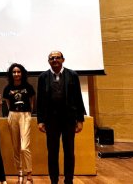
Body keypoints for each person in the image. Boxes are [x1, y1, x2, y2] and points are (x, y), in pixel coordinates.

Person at [37, 51, 86, 184]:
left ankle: (68, 180)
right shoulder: (43, 77)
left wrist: (80, 119)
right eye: (52, 58)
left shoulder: (72, 75)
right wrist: (40, 120)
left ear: (63, 60)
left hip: (69, 120)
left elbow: (78, 98)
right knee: (52, 153)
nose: (55, 60)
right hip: (50, 121)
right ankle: (54, 180)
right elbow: (40, 100)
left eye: (57, 58)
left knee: (69, 152)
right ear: (48, 61)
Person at [3, 63, 35, 184]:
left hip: (25, 115)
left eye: (19, 72)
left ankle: (29, 174)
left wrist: (27, 115)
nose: (16, 74)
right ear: (11, 74)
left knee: (24, 147)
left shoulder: (29, 87)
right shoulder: (7, 88)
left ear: (22, 73)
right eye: (14, 72)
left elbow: (32, 103)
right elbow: (8, 104)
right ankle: (20, 173)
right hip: (13, 115)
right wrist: (13, 115)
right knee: (15, 147)